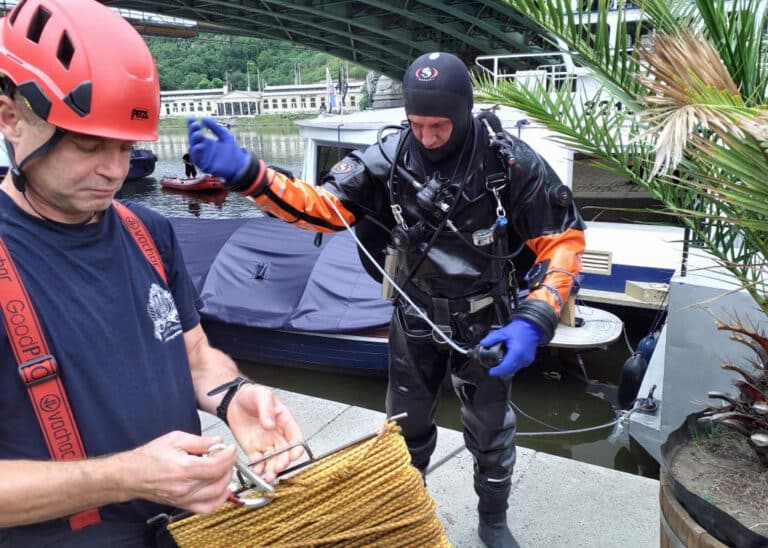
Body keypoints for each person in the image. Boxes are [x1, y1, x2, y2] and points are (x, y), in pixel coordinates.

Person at [188, 51, 585, 548]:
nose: (427, 136)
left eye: (439, 125)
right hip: (414, 316)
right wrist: (252, 176)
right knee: (405, 429)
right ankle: (406, 509)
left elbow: (563, 240)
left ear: (463, 113)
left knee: (490, 432)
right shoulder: (389, 156)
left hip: (488, 320)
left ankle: (493, 521)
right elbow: (325, 210)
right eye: (416, 124)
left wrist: (536, 319)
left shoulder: (508, 162)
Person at [0, 1, 303, 546]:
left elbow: (192, 354)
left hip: (185, 533)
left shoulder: (149, 231)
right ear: (10, 118)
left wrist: (234, 396)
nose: (114, 170)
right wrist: (125, 475)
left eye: (126, 146)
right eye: (88, 144)